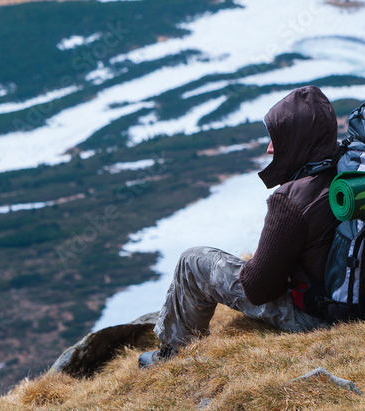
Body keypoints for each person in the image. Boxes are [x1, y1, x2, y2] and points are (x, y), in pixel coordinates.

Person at [139, 85, 341, 368]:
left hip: (315, 317)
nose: (270, 147)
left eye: (278, 138)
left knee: (193, 262)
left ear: (298, 140)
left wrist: (258, 265)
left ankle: (173, 355)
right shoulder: (349, 170)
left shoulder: (291, 199)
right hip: (356, 301)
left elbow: (258, 289)